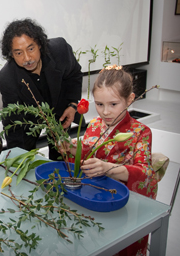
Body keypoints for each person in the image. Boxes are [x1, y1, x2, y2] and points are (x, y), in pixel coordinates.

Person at [67, 65, 157, 255]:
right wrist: (75, 151)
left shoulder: (141, 132)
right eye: (99, 104)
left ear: (130, 99)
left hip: (124, 204)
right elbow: (89, 157)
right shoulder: (94, 125)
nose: (105, 112)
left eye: (113, 104)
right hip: (95, 198)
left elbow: (145, 173)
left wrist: (107, 168)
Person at [0, 18, 83, 160]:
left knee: (61, 155)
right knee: (24, 157)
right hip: (29, 119)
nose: (27, 58)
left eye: (31, 49)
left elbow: (74, 74)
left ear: (40, 44)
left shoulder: (60, 50)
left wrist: (73, 105)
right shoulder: (7, 78)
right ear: (11, 54)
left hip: (59, 109)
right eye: (18, 53)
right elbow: (13, 122)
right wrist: (16, 159)